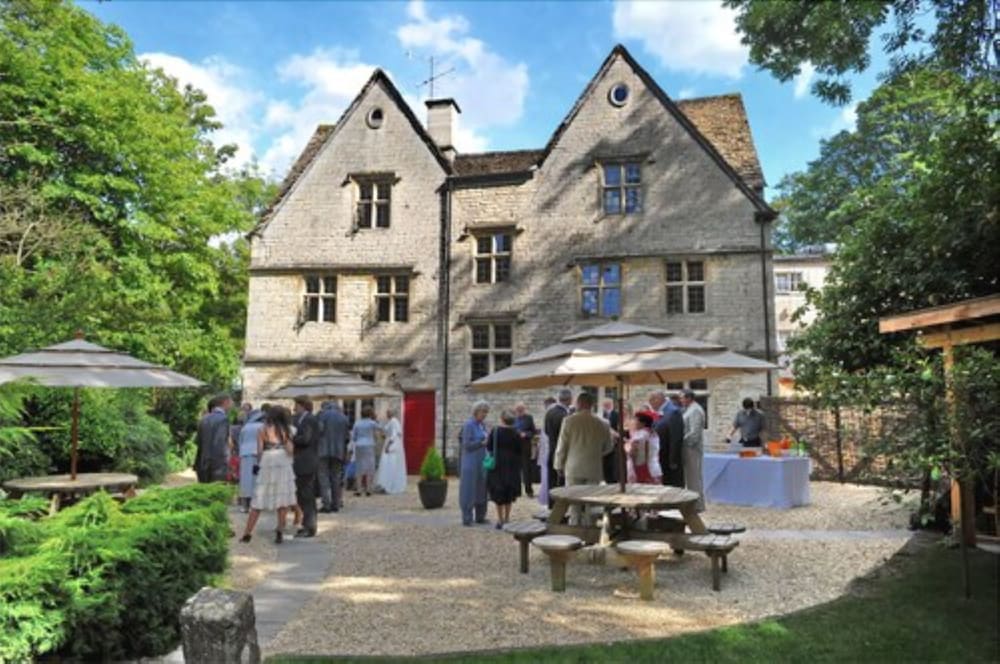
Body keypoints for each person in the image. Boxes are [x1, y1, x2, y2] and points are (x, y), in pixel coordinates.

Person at [553, 392, 613, 524]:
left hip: (573, 466)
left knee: (574, 502)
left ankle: (575, 527)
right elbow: (609, 447)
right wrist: (596, 454)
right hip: (594, 468)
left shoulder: (569, 421)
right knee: (591, 502)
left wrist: (558, 465)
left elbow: (562, 446)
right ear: (592, 404)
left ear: (579, 403)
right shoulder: (603, 423)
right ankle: (590, 529)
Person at [240, 406, 297, 544]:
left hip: (267, 459)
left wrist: (259, 464)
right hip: (282, 461)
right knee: (283, 498)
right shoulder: (287, 430)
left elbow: (259, 451)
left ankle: (247, 533)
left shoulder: (263, 429)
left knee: (259, 498)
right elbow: (290, 450)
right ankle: (280, 530)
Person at [486, 409, 523, 529]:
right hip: (512, 465)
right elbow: (520, 450)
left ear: (502, 419)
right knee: (509, 491)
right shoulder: (516, 433)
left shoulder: (496, 431)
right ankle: (507, 518)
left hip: (498, 464)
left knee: (498, 491)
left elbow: (489, 446)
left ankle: (500, 519)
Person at [292, 396, 320, 538]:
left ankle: (310, 527)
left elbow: (305, 439)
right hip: (302, 461)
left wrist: (290, 438)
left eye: (296, 405)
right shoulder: (302, 419)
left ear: (302, 405)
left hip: (306, 461)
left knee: (307, 495)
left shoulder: (309, 419)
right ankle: (306, 524)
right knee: (302, 495)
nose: (294, 408)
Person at [459, 400, 491, 526]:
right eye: (483, 412)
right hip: (471, 462)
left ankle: (480, 516)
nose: (485, 415)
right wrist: (481, 443)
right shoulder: (469, 425)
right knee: (469, 489)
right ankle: (467, 518)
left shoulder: (482, 425)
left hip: (482, 461)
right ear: (476, 411)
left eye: (486, 412)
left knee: (482, 489)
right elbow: (466, 445)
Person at [316, 401, 349, 512]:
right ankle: (336, 504)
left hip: (323, 450)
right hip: (339, 451)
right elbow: (347, 437)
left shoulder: (322, 415)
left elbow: (319, 431)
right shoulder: (344, 417)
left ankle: (326, 504)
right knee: (336, 478)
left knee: (323, 477)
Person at [543, 388, 573, 506]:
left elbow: (546, 431)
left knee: (551, 480)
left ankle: (551, 504)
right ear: (569, 399)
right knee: (560, 481)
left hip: (552, 449)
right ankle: (559, 507)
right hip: (562, 451)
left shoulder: (550, 412)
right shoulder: (565, 415)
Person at [650, 390, 685, 488]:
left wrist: (673, 460)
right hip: (660, 455)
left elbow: (676, 438)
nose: (650, 404)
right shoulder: (661, 411)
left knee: (673, 485)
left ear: (658, 399)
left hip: (668, 457)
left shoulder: (673, 412)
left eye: (651, 401)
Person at [236, 406, 268, 512]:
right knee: (256, 479)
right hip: (258, 454)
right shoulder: (262, 426)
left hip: (245, 455)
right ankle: (256, 504)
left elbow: (240, 442)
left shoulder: (245, 427)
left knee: (245, 479)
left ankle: (244, 505)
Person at [195, 394, 232, 483]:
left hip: (203, 461)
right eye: (230, 403)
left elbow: (199, 441)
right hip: (218, 464)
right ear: (225, 402)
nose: (231, 406)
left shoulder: (203, 419)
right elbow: (221, 443)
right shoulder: (223, 419)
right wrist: (227, 460)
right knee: (217, 488)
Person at [680, 389, 706, 512]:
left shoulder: (695, 410)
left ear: (689, 398)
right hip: (688, 448)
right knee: (690, 477)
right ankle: (692, 502)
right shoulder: (689, 409)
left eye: (682, 398)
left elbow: (694, 432)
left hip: (692, 448)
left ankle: (697, 504)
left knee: (694, 477)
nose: (681, 400)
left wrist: (683, 441)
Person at [375, 407, 407, 494]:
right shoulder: (391, 421)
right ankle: (386, 484)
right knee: (387, 463)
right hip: (389, 441)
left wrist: (388, 445)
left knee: (389, 463)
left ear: (391, 413)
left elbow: (394, 435)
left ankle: (389, 484)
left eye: (388, 412)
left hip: (392, 444)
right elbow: (387, 432)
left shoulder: (393, 421)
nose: (387, 414)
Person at [350, 405, 379, 496]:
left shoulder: (357, 423)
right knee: (370, 466)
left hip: (359, 445)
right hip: (369, 445)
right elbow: (379, 430)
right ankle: (368, 488)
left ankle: (359, 489)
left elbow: (353, 436)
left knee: (359, 466)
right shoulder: (372, 423)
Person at [513, 402, 537, 498]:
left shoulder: (529, 418)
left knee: (527, 469)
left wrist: (526, 434)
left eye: (521, 410)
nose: (519, 412)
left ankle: (529, 490)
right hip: (514, 447)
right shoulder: (512, 418)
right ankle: (516, 490)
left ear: (524, 410)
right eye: (518, 410)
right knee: (515, 470)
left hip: (525, 446)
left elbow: (533, 431)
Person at [536, 397, 555, 507]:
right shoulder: (549, 414)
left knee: (546, 474)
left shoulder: (549, 415)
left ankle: (546, 497)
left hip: (547, 449)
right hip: (546, 449)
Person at [600, 398, 620, 484]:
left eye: (606, 404)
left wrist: (614, 433)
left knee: (613, 463)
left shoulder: (616, 414)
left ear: (611, 405)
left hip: (615, 441)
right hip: (606, 441)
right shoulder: (603, 414)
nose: (605, 406)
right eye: (604, 405)